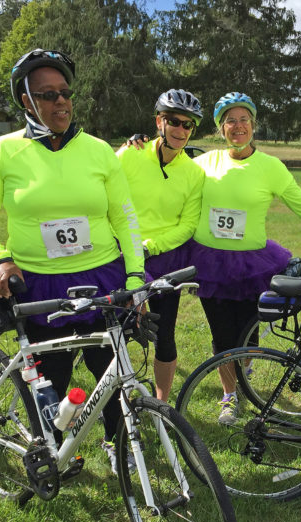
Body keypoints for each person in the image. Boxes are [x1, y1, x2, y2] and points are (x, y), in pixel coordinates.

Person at [0, 49, 144, 475]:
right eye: (47, 95)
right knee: (51, 377)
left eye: (65, 93)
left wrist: (135, 275)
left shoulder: (98, 152)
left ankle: (118, 446)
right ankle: (55, 449)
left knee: (110, 370)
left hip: (101, 277)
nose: (60, 102)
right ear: (26, 100)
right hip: (39, 283)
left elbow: (126, 217)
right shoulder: (2, 151)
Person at [189, 92, 301, 425]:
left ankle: (245, 378)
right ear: (220, 128)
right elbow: (167, 182)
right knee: (222, 335)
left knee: (250, 335)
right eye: (230, 121)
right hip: (212, 264)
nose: (237, 127)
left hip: (253, 265)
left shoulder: (270, 167)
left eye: (244, 120)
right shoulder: (203, 164)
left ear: (253, 124)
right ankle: (229, 395)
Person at [116, 89, 205, 402]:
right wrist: (130, 245)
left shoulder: (195, 174)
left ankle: (160, 403)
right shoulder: (130, 154)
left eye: (188, 125)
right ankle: (117, 398)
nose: (181, 130)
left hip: (165, 258)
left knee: (163, 334)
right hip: (121, 256)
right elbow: (105, 196)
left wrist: (149, 246)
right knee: (119, 333)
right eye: (174, 121)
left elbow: (188, 225)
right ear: (159, 121)